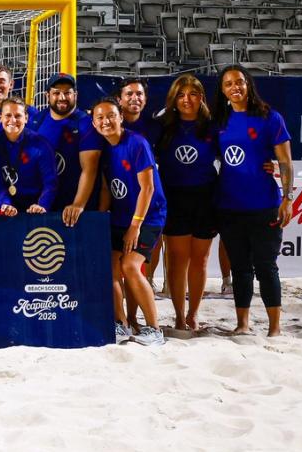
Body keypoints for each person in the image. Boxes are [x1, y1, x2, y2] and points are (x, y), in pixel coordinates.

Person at [212, 64, 293, 337]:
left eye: (239, 81)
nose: (235, 87)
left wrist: (287, 198)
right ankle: (243, 324)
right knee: (241, 269)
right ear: (223, 91)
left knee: (266, 267)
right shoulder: (219, 121)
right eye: (228, 84)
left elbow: (285, 162)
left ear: (248, 84)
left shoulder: (270, 118)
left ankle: (274, 328)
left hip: (265, 206)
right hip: (230, 206)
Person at [92, 96, 168, 346]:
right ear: (94, 123)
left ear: (121, 117)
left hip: (147, 216)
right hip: (119, 218)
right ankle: (121, 324)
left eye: (111, 116)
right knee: (110, 269)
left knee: (130, 267)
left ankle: (155, 329)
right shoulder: (103, 150)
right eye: (100, 118)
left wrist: (135, 226)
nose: (106, 121)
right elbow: (105, 190)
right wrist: (101, 221)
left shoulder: (137, 143)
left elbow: (147, 189)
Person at [151, 74, 218, 334]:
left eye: (192, 94)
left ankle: (194, 314)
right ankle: (179, 316)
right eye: (181, 95)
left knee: (200, 259)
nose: (187, 100)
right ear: (173, 99)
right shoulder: (162, 126)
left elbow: (237, 154)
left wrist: (266, 164)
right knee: (178, 259)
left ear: (201, 97)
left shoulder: (212, 126)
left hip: (205, 197)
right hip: (174, 197)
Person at [28, 73, 102, 225]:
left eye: (67, 92)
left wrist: (78, 204)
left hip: (74, 206)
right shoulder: (36, 120)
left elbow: (89, 169)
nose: (62, 97)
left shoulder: (86, 123)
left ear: (75, 94)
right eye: (56, 93)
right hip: (43, 204)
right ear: (47, 95)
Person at [0, 96, 57, 216]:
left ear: (26, 118)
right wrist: (5, 204)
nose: (13, 120)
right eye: (8, 115)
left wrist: (41, 205)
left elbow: (50, 182)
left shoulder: (41, 144)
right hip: (4, 208)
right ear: (0, 118)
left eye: (18, 116)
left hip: (34, 207)